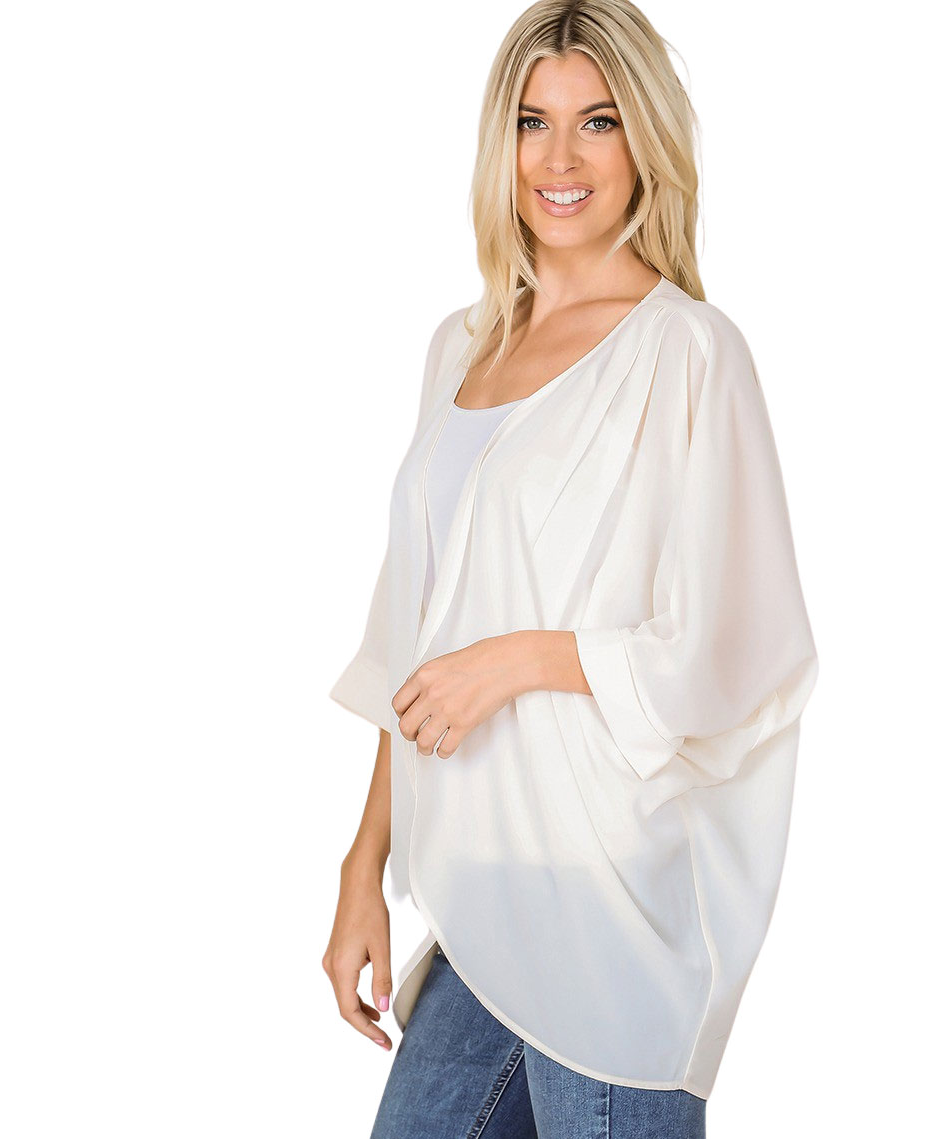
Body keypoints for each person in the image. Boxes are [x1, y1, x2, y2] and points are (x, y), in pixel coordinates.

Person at [323, 1, 819, 1135]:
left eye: (596, 121)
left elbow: (738, 650)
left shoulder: (686, 351)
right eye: (531, 121)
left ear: (643, 140)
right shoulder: (459, 347)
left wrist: (518, 661)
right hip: (479, 903)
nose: (559, 158)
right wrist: (363, 864)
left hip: (609, 908)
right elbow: (412, 640)